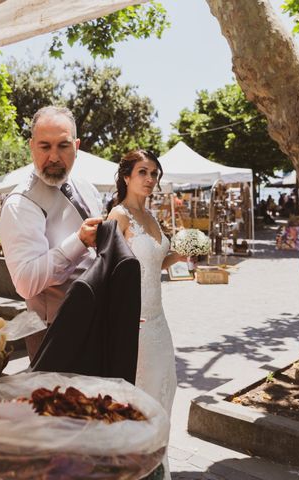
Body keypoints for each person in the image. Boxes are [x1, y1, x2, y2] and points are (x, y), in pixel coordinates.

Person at [107, 149, 186, 480]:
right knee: (139, 398)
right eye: (143, 172)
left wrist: (179, 254)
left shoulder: (152, 218)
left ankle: (157, 465)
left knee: (165, 389)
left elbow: (153, 264)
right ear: (126, 176)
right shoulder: (118, 216)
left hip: (159, 321)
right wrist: (123, 319)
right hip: (134, 323)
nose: (151, 179)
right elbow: (108, 272)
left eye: (155, 173)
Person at [0, 106, 102, 359]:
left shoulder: (86, 187)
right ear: (31, 146)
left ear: (76, 146)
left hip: (96, 322)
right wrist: (78, 241)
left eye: (63, 146)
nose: (54, 157)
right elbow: (26, 283)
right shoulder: (20, 203)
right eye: (45, 147)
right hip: (53, 332)